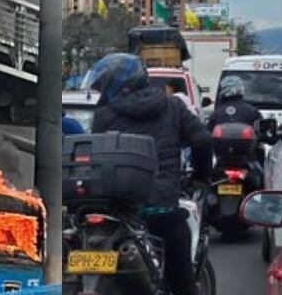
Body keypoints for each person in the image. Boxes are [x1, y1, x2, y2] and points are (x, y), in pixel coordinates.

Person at [85, 53, 211, 295]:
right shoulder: (174, 106)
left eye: (103, 86)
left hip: (117, 211)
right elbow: (203, 141)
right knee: (183, 283)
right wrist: (201, 178)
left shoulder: (104, 115)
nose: (101, 92)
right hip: (160, 208)